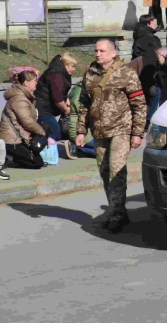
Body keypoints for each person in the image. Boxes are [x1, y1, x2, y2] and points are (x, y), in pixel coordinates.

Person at [76, 39, 147, 233]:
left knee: (117, 170)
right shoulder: (89, 74)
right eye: (95, 50)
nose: (98, 54)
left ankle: (116, 214)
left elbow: (139, 105)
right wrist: (81, 131)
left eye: (102, 51)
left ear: (113, 53)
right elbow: (83, 105)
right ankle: (117, 211)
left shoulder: (126, 73)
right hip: (99, 130)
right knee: (105, 171)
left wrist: (137, 133)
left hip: (121, 129)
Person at [0, 71, 48, 169]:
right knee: (36, 163)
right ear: (26, 83)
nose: (36, 83)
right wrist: (42, 132)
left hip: (20, 137)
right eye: (34, 81)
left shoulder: (24, 96)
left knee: (46, 127)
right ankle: (10, 156)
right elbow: (27, 122)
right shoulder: (19, 99)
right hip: (11, 141)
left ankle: (20, 155)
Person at [34, 53, 77, 158]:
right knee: (54, 133)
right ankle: (36, 150)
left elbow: (61, 92)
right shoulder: (56, 75)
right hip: (43, 108)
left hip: (48, 108)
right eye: (73, 66)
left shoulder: (61, 73)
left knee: (53, 131)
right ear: (66, 64)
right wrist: (66, 109)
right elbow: (57, 99)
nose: (74, 69)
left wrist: (66, 101)